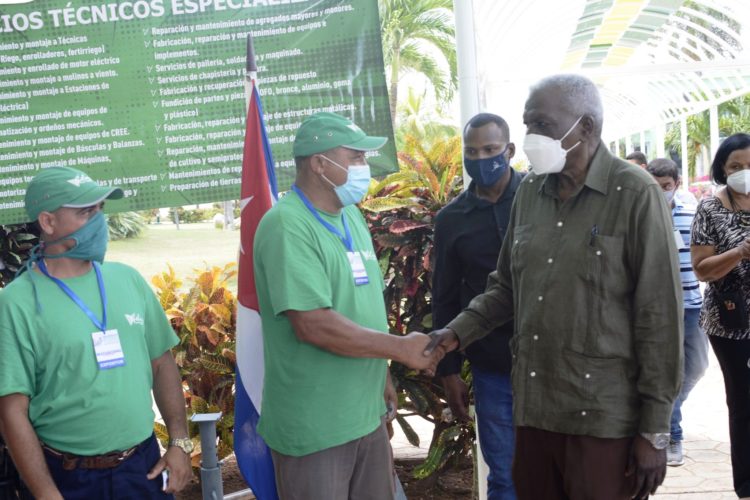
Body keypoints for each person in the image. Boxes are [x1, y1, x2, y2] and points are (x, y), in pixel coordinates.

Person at [424, 74, 683, 500]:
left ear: (586, 127)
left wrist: (655, 430)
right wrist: (454, 334)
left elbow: (659, 317)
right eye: (528, 124)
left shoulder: (634, 193)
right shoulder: (531, 192)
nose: (530, 137)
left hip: (601, 418)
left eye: (542, 124)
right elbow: (505, 288)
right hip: (535, 413)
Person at [253, 112, 444, 499]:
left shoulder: (351, 216)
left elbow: (360, 306)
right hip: (317, 427)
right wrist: (400, 348)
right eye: (355, 157)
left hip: (365, 414)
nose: (363, 167)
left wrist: (382, 375)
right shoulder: (287, 226)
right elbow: (313, 325)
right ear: (320, 164)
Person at [0, 167, 192, 499]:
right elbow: (11, 409)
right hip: (67, 477)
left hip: (142, 467)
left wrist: (179, 442)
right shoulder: (17, 302)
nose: (99, 221)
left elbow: (162, 365)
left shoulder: (128, 279)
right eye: (86, 212)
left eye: (100, 209)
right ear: (48, 222)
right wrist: (46, 493)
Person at [433, 113, 521, 499]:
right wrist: (449, 370)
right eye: (472, 152)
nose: (481, 159)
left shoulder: (541, 200)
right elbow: (444, 295)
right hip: (492, 365)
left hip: (552, 364)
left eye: (490, 150)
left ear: (510, 150)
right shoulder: (451, 219)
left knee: (558, 470)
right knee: (504, 475)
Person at [690, 132, 750, 498]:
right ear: (722, 170)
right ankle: (746, 484)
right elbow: (701, 269)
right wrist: (739, 252)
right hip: (731, 322)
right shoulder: (710, 209)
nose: (744, 171)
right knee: (743, 401)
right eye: (735, 166)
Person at [646, 158, 709, 466]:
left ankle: (667, 414)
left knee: (697, 366)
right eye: (655, 187)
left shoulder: (691, 214)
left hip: (692, 304)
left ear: (677, 185)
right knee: (664, 371)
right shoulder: (641, 216)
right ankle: (673, 435)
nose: (662, 192)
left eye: (666, 186)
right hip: (657, 309)